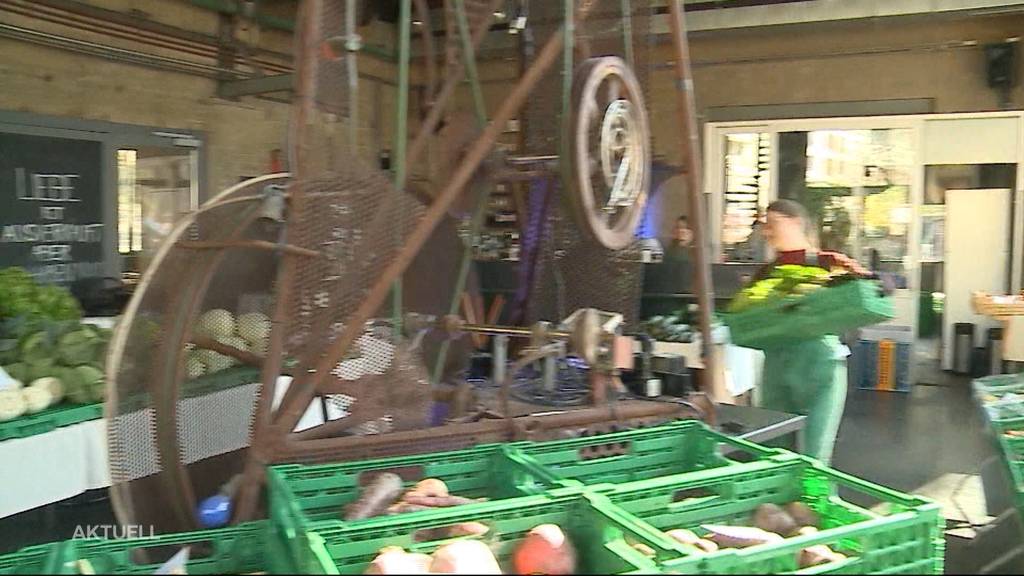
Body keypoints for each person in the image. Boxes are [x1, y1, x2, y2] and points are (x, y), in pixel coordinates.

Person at [754, 199, 870, 465]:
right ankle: (780, 502)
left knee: (815, 453)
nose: (767, 232)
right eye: (765, 226)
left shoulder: (827, 263)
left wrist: (876, 283)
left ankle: (812, 504)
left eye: (773, 224)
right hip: (777, 367)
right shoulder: (766, 273)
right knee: (776, 450)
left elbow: (871, 284)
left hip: (820, 366)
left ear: (795, 223)